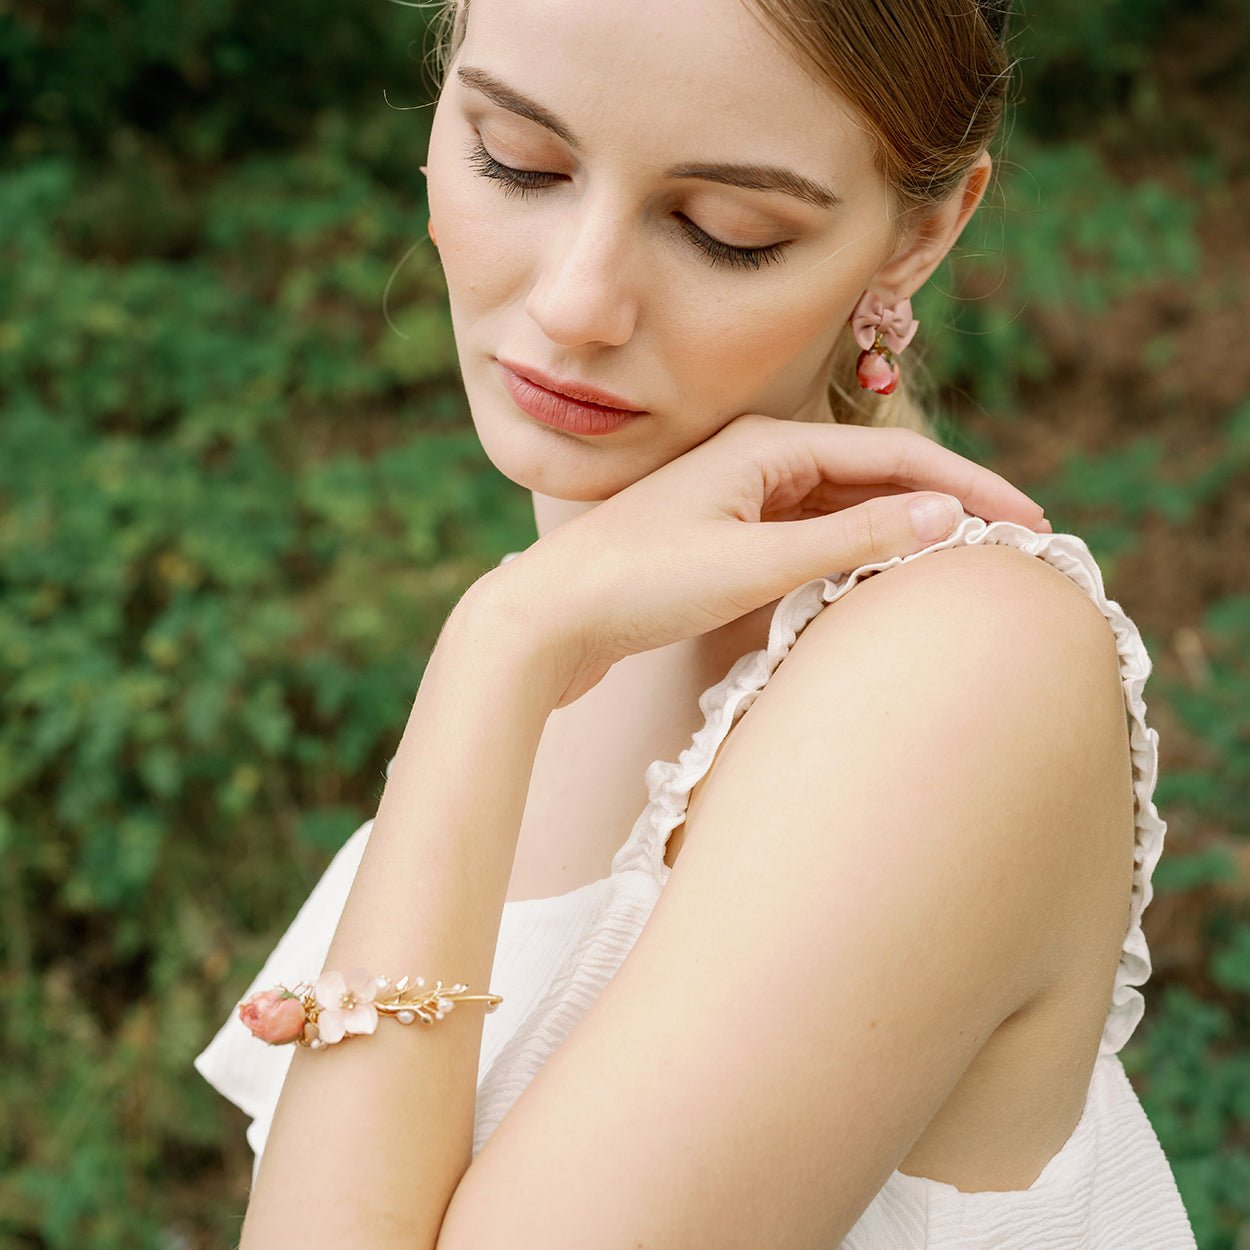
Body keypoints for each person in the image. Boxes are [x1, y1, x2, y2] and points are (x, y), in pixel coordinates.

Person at [194, 1, 1198, 1245]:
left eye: (728, 231)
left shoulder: (954, 670)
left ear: (920, 232)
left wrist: (492, 650)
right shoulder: (575, 618)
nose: (576, 303)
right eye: (516, 157)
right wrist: (509, 646)